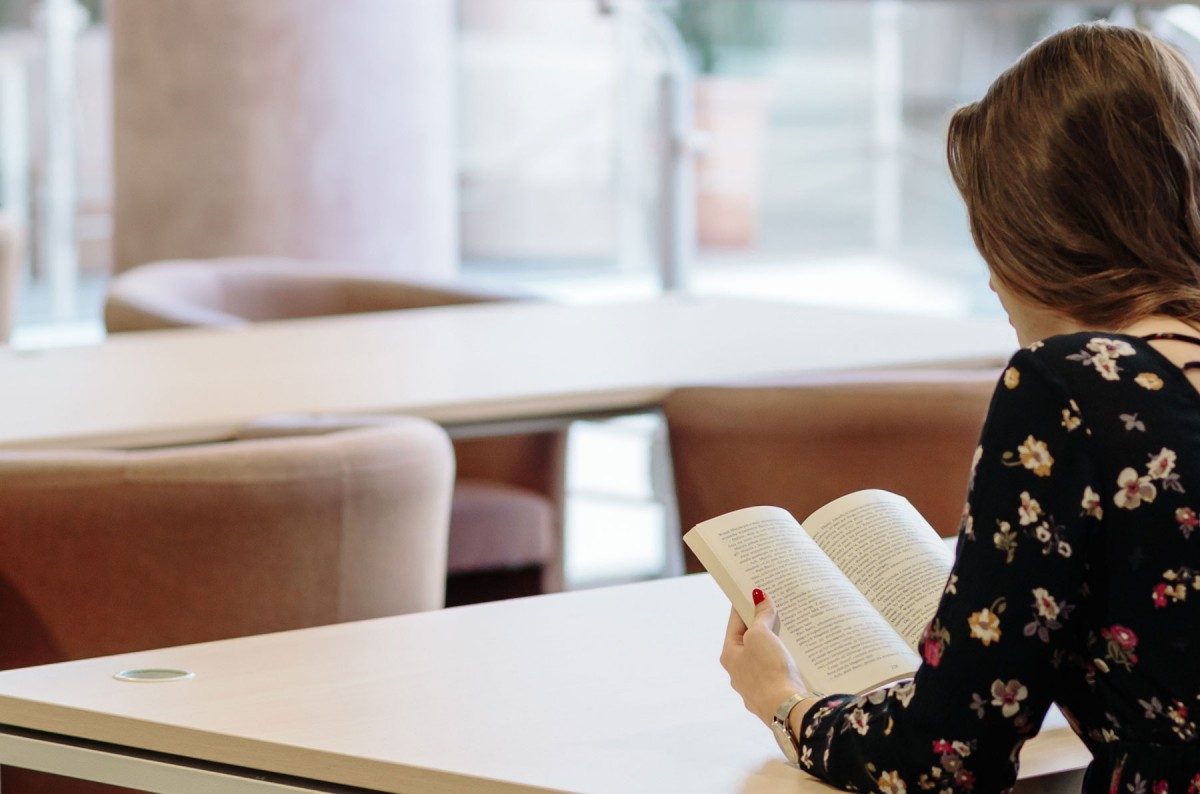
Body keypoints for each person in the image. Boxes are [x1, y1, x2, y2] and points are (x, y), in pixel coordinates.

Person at [720, 22, 1200, 793]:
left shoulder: (1067, 385)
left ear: (1036, 232)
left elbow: (947, 756)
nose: (989, 282)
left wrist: (785, 705)